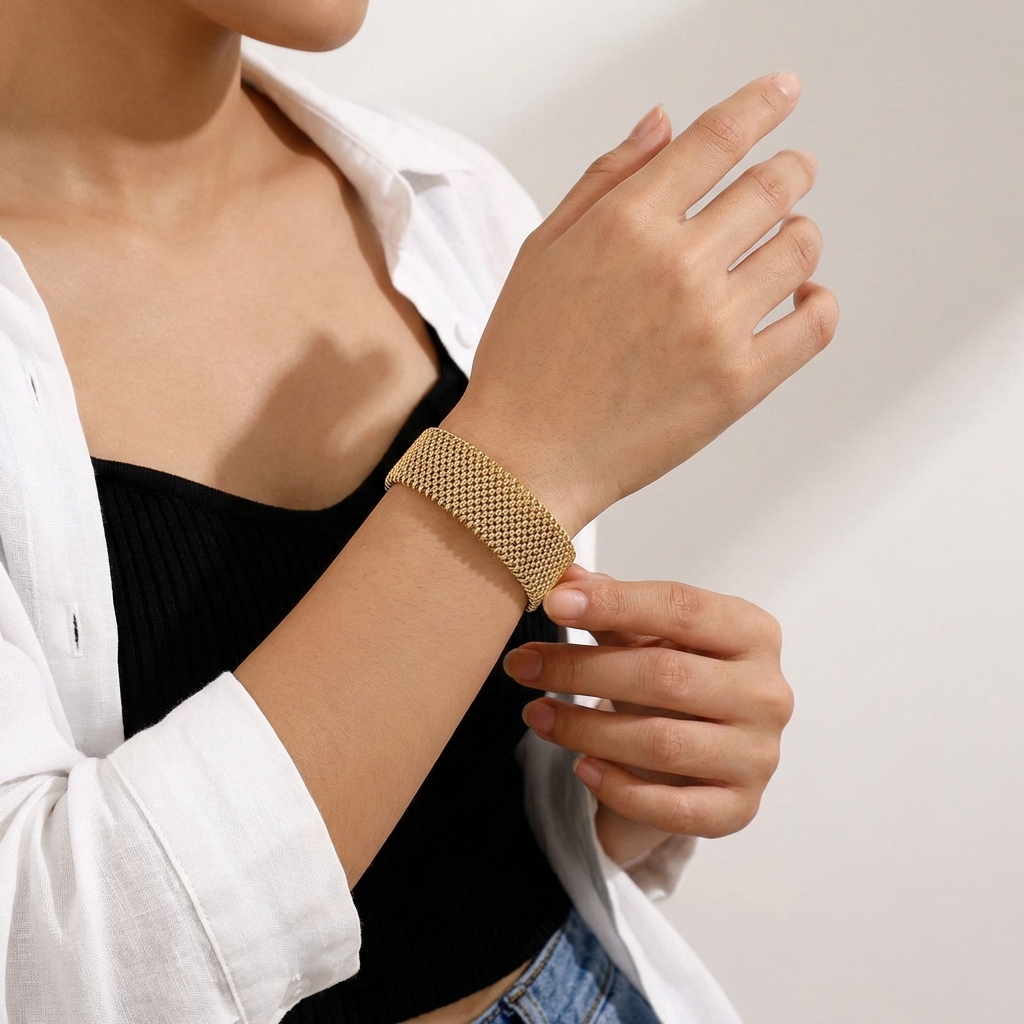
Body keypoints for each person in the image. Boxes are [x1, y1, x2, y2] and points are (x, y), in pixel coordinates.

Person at [0, 1, 836, 1022]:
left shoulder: (444, 197)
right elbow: (47, 971)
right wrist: (515, 457)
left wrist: (636, 769)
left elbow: (469, 817)